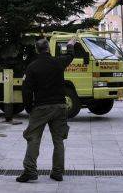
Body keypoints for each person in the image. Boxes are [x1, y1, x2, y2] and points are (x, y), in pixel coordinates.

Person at [17, 37, 75, 183]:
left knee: (33, 139)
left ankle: (30, 171)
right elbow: (69, 56)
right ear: (48, 48)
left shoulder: (32, 67)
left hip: (41, 107)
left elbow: (26, 90)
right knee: (58, 140)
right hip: (60, 107)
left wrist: (29, 107)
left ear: (37, 50)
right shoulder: (58, 63)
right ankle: (57, 172)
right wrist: (70, 45)